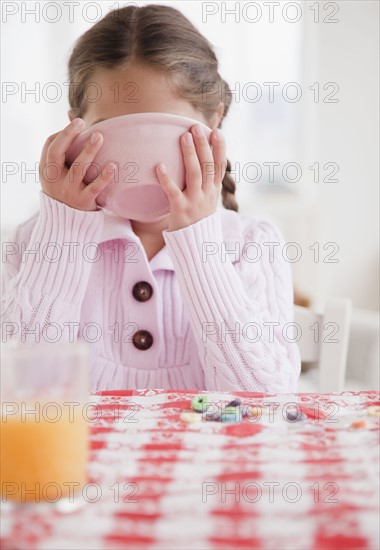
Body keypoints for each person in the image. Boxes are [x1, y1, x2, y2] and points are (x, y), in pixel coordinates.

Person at [1, 4, 301, 392]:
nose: (140, 165)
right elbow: (17, 391)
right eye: (115, 133)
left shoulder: (251, 243)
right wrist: (65, 232)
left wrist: (198, 241)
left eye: (161, 133)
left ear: (213, 124)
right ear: (75, 129)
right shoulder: (34, 243)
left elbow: (265, 400)